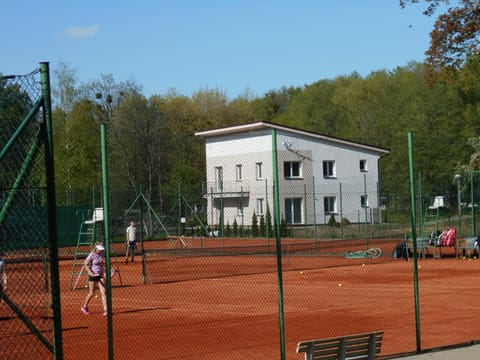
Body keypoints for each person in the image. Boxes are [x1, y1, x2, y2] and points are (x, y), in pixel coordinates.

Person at [81, 243, 107, 316]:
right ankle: (84, 307)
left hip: (100, 275)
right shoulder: (92, 255)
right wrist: (90, 273)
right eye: (100, 249)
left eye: (102, 249)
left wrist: (104, 273)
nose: (101, 251)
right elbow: (85, 264)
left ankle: (106, 309)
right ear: (96, 249)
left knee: (103, 292)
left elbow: (101, 264)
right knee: (92, 293)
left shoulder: (102, 254)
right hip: (93, 275)